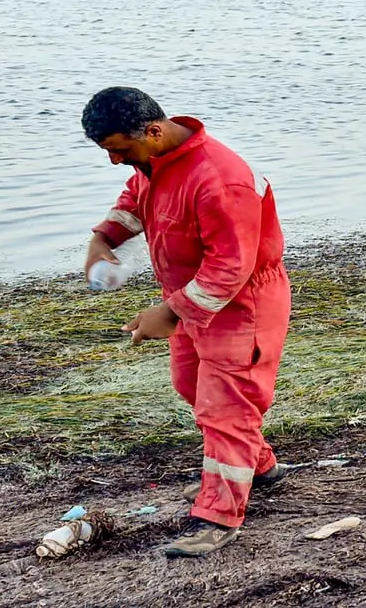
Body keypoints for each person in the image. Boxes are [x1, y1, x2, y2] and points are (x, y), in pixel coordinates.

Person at [81, 87, 292, 556]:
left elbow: (230, 267)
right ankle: (261, 468)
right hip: (192, 298)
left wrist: (169, 313)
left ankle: (218, 517)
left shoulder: (220, 178)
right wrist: (103, 238)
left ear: (153, 131)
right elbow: (136, 198)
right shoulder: (154, 162)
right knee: (191, 385)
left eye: (120, 150)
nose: (116, 161)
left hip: (243, 304)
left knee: (226, 408)